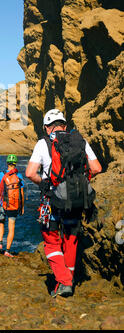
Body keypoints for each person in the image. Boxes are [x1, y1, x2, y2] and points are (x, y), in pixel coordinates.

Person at [26, 109, 102, 297]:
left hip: (52, 201)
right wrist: (80, 182)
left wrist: (44, 184)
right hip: (76, 200)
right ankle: (69, 277)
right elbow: (97, 168)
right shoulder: (79, 141)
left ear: (46, 127)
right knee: (70, 238)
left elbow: (29, 173)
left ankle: (64, 282)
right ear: (65, 125)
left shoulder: (43, 143)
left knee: (51, 242)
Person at [0, 154, 25, 257]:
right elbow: (21, 194)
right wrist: (22, 207)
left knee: (1, 222)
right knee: (11, 227)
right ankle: (7, 251)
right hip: (14, 205)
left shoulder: (1, 174)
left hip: (2, 204)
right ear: (15, 164)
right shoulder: (19, 176)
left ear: (7, 163)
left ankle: (0, 244)